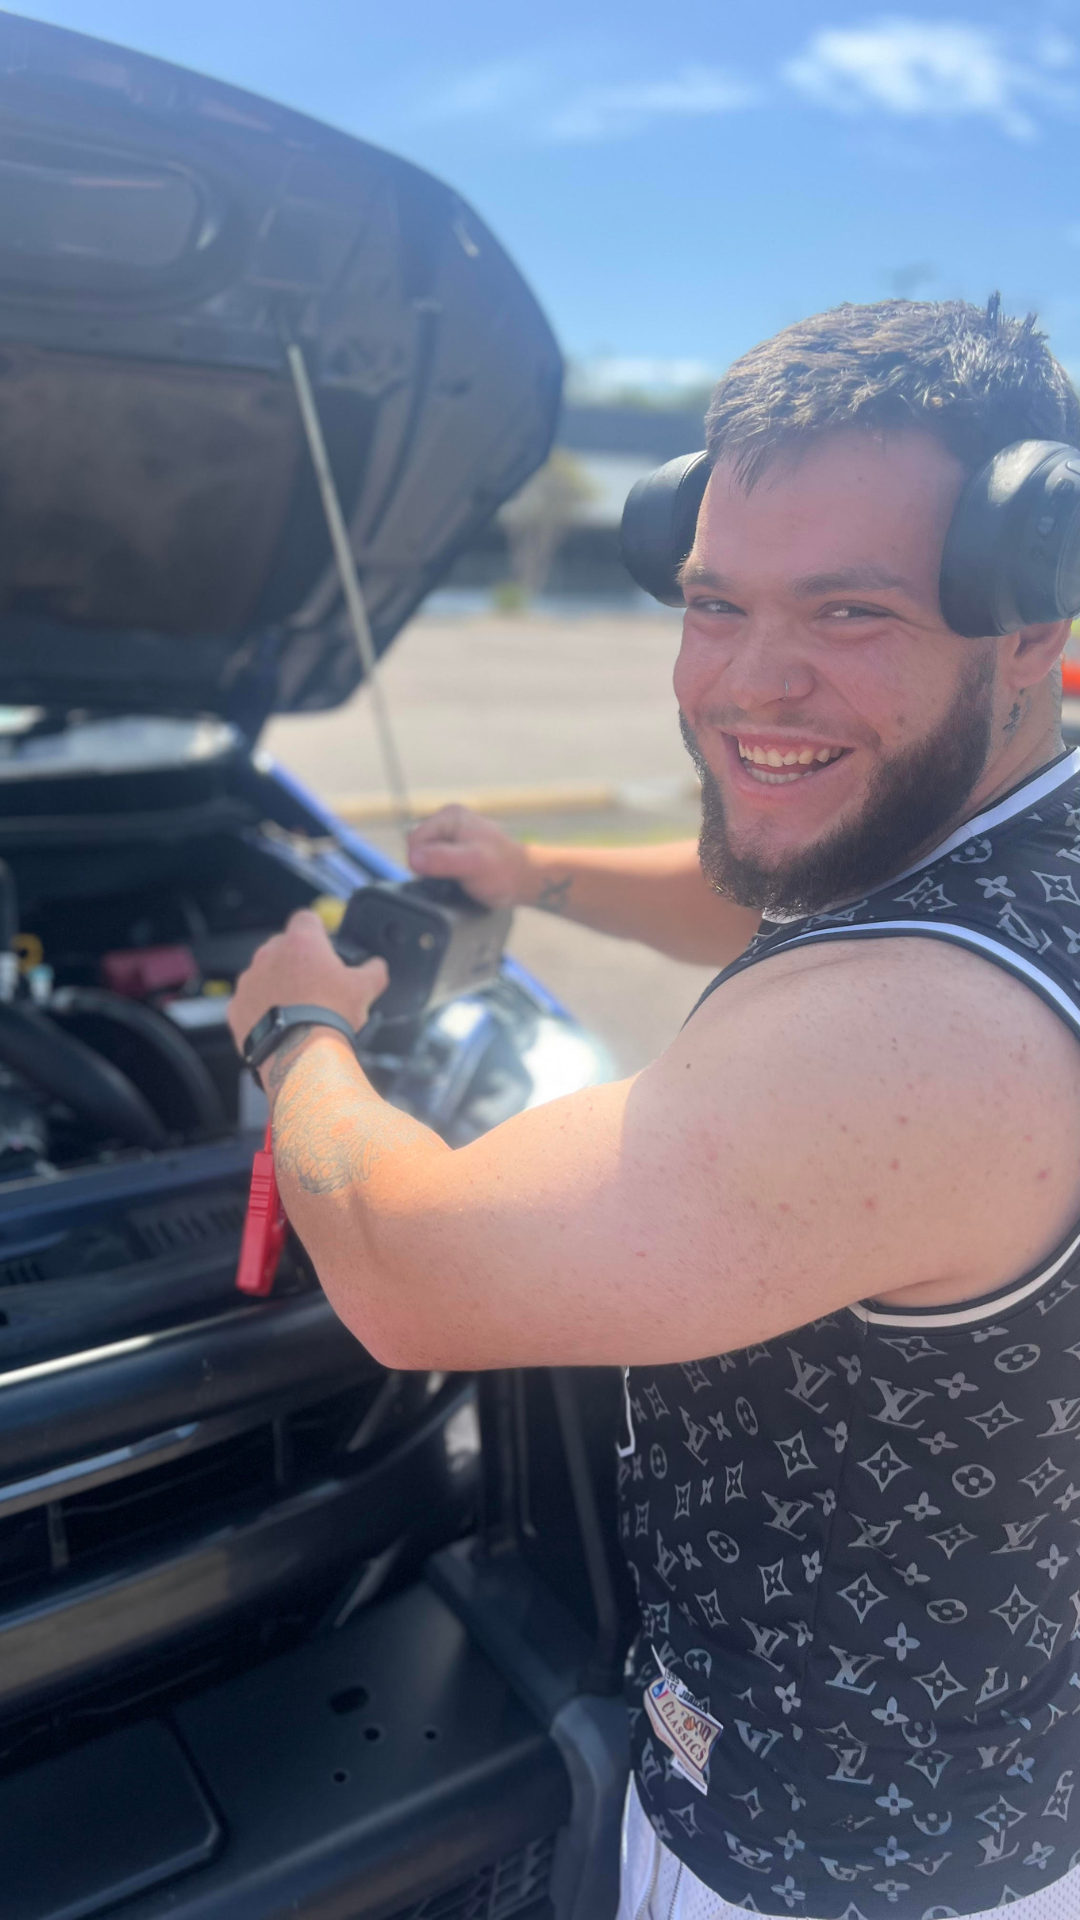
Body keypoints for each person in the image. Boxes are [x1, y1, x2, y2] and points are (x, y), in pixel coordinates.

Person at [229, 297, 1080, 1920]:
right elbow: (788, 888)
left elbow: (412, 1274)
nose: (754, 680)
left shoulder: (913, 1042)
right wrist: (544, 874)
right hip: (996, 1741)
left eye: (851, 611)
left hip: (836, 1869)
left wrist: (296, 1041)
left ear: (1031, 613)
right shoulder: (1014, 842)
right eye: (713, 601)